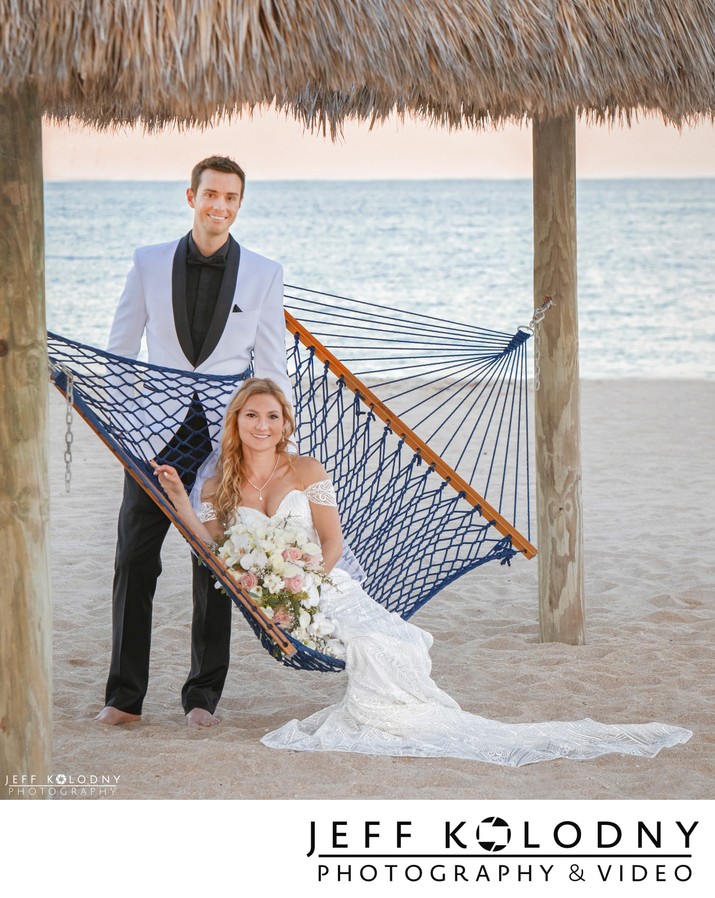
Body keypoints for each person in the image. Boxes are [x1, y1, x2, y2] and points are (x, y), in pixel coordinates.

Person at [153, 378, 693, 764]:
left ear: (285, 423)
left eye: (273, 416)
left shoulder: (307, 469)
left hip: (327, 586)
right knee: (374, 646)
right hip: (273, 607)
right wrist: (178, 498)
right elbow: (216, 552)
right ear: (236, 423)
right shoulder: (214, 486)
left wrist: (312, 583)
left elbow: (333, 540)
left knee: (391, 641)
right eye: (252, 415)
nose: (263, 425)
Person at [97, 156, 292, 728]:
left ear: (238, 203)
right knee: (134, 560)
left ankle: (202, 697)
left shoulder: (263, 272)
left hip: (224, 442)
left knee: (214, 565)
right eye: (211, 194)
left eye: (231, 197)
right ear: (191, 196)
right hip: (153, 438)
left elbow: (272, 365)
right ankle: (124, 698)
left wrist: (273, 443)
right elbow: (119, 348)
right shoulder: (149, 262)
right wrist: (123, 422)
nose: (220, 206)